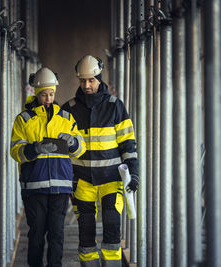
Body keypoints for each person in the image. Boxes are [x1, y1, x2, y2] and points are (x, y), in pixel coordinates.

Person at [61, 55, 139, 267]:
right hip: (82, 182)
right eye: (83, 81)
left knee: (112, 229)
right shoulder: (69, 109)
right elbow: (61, 152)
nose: (87, 85)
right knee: (85, 233)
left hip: (111, 180)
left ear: (99, 78)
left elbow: (128, 144)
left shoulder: (115, 106)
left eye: (92, 80)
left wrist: (134, 173)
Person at [10, 67, 86, 267]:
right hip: (35, 188)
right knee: (35, 236)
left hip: (60, 188)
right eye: (44, 94)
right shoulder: (24, 120)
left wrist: (73, 142)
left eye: (51, 94)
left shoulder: (66, 118)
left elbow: (80, 149)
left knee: (57, 235)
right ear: (36, 93)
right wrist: (35, 148)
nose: (48, 99)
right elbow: (15, 151)